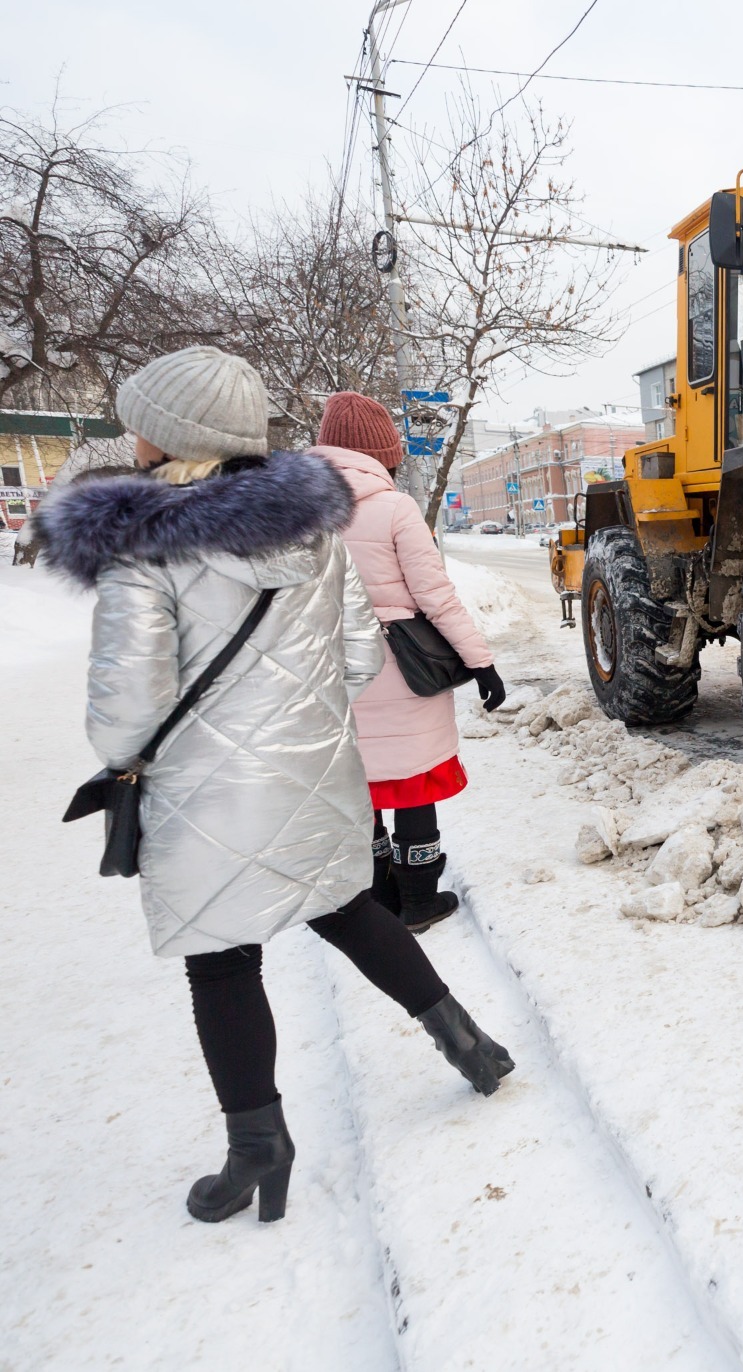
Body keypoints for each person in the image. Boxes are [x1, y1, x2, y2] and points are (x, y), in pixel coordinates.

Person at [35, 346, 513, 1227]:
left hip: (203, 793)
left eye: (139, 419)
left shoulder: (143, 549)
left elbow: (122, 714)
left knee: (223, 964)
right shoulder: (316, 536)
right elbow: (362, 655)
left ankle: (257, 1150)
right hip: (317, 768)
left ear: (170, 439)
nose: (129, 434)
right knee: (345, 908)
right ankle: (469, 1043)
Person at [309, 392, 504, 932]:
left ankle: (382, 900)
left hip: (324, 671)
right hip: (400, 669)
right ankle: (420, 901)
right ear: (382, 453)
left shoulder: (290, 511)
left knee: (360, 786)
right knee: (413, 782)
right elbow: (435, 595)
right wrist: (480, 664)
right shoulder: (394, 507)